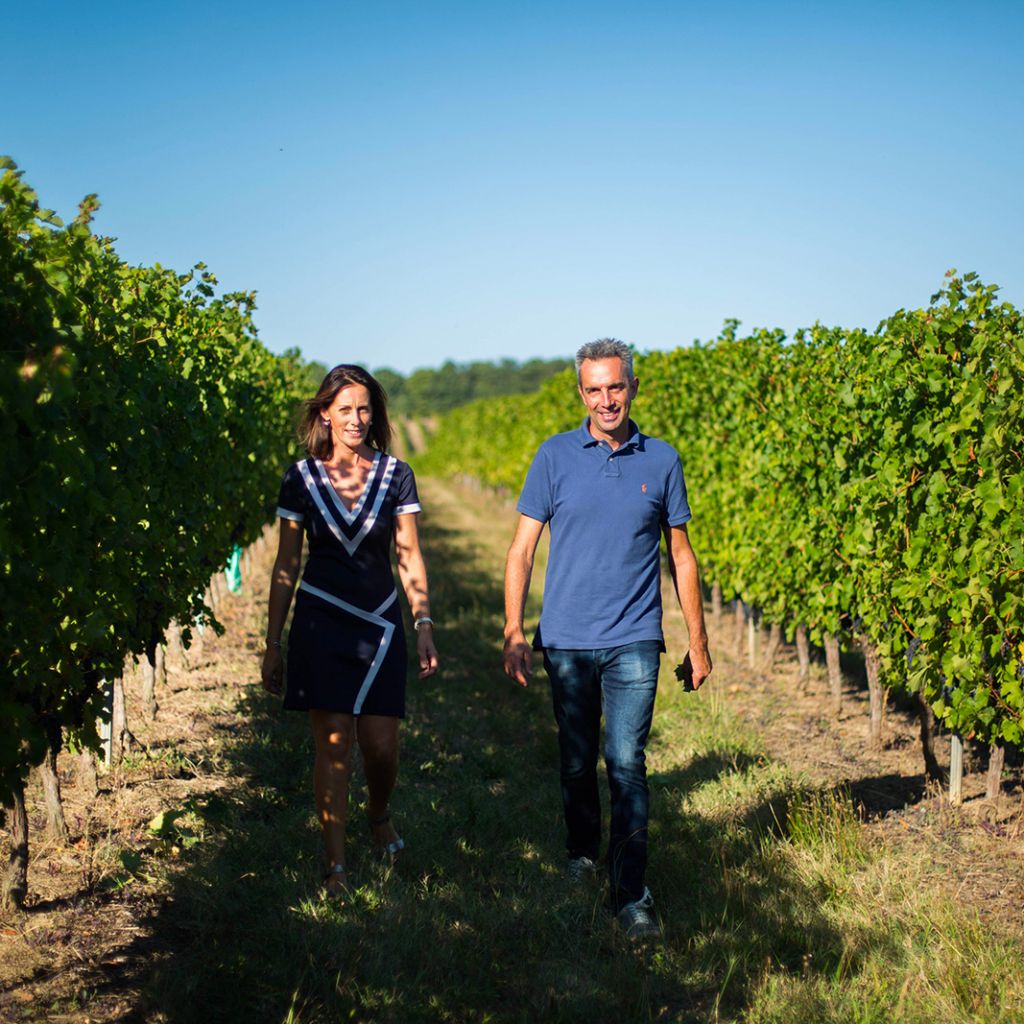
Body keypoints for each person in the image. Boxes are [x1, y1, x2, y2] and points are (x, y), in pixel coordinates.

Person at [502, 338, 712, 940]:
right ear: (581, 393)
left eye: (615, 387)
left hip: (635, 639)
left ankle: (630, 895)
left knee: (625, 762)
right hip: (565, 640)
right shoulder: (554, 456)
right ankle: (581, 856)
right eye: (593, 389)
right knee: (575, 762)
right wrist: (514, 630)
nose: (605, 399)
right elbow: (521, 549)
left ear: (633, 388)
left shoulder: (662, 460)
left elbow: (682, 556)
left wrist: (697, 643)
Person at [262, 364, 439, 898]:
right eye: (345, 410)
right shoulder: (300, 478)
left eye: (364, 409)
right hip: (320, 622)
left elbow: (408, 553)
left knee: (381, 747)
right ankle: (334, 866)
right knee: (334, 745)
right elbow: (286, 564)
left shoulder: (395, 474)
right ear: (325, 414)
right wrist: (272, 644)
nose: (356, 419)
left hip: (382, 623)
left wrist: (423, 622)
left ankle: (378, 812)